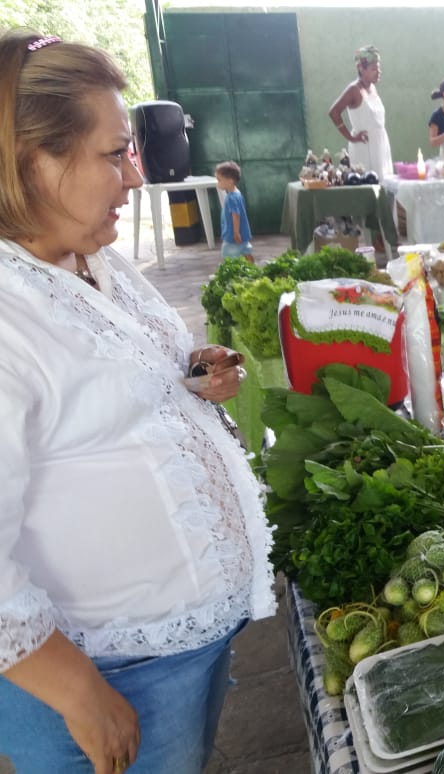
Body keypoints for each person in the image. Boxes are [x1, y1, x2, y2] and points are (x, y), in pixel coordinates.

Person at [0, 30, 276, 773]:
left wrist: (192, 374)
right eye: (114, 153)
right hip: (100, 677)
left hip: (180, 650)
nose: (134, 177)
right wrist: (76, 690)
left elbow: (113, 385)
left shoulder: (95, 258)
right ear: (28, 160)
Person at [328, 45, 393, 180]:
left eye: (379, 68)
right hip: (363, 146)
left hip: (381, 144)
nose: (378, 72)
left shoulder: (373, 88)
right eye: (373, 69)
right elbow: (334, 112)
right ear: (361, 69)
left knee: (384, 184)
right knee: (368, 183)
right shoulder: (353, 89)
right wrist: (350, 137)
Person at [214, 161, 253, 263]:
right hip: (243, 233)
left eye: (219, 180)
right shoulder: (237, 193)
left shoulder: (231, 197)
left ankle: (230, 271)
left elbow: (236, 215)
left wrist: (236, 233)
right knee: (246, 251)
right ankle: (253, 268)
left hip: (232, 235)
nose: (217, 183)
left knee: (228, 255)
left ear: (230, 181)